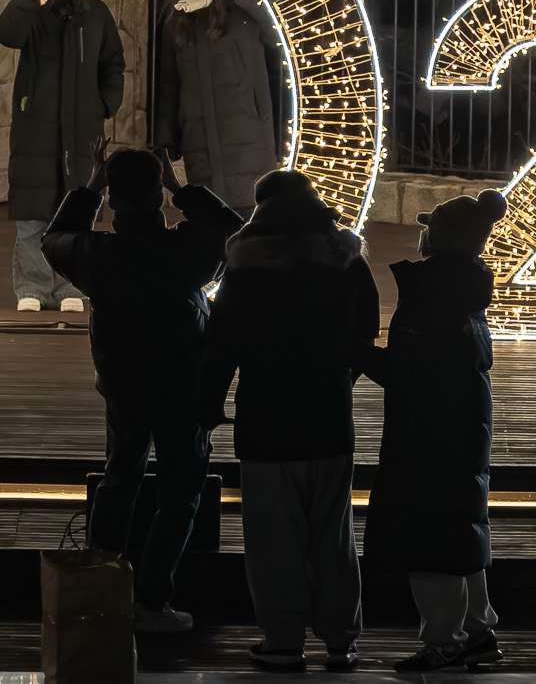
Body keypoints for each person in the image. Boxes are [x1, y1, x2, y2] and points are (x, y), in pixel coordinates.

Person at [43, 146, 240, 633]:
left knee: (120, 477)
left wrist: (90, 187)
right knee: (180, 493)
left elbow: (53, 240)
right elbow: (236, 231)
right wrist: (184, 189)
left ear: (113, 200)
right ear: (157, 196)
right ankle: (153, 599)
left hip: (124, 382)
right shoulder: (187, 249)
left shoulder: (101, 257)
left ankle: (101, 590)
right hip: (185, 385)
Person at [200, 168, 380, 671]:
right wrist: (344, 377)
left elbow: (222, 345)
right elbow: (365, 330)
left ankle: (283, 640)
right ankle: (342, 641)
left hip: (266, 421)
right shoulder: (345, 259)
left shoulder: (247, 265)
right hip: (329, 418)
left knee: (273, 536)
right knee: (333, 534)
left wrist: (208, 406)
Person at [366, 190, 510, 673]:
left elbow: (405, 370)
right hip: (465, 422)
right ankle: (477, 630)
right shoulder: (467, 289)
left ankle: (443, 639)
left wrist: (352, 349)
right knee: (461, 527)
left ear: (438, 237)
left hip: (429, 427)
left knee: (428, 533)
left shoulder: (431, 293)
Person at [0, 0, 126, 312]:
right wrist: (29, 2)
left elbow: (113, 62)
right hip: (36, 127)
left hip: (83, 128)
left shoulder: (95, 12)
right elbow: (4, 34)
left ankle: (71, 287)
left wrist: (105, 103)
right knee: (33, 213)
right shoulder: (30, 10)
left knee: (75, 211)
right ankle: (32, 286)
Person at [154, 0, 283, 209]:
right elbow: (169, 83)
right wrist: (165, 138)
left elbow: (279, 38)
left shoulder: (242, 12)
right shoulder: (175, 17)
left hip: (248, 137)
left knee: (249, 222)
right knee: (209, 226)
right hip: (198, 140)